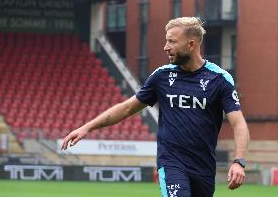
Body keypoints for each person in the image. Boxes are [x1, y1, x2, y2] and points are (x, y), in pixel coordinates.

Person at [61, 17, 250, 197]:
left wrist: (239, 161)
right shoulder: (161, 76)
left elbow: (238, 123)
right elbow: (127, 108)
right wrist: (87, 127)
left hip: (204, 167)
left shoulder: (220, 79)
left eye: (172, 42)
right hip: (171, 162)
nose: (165, 47)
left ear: (191, 44)